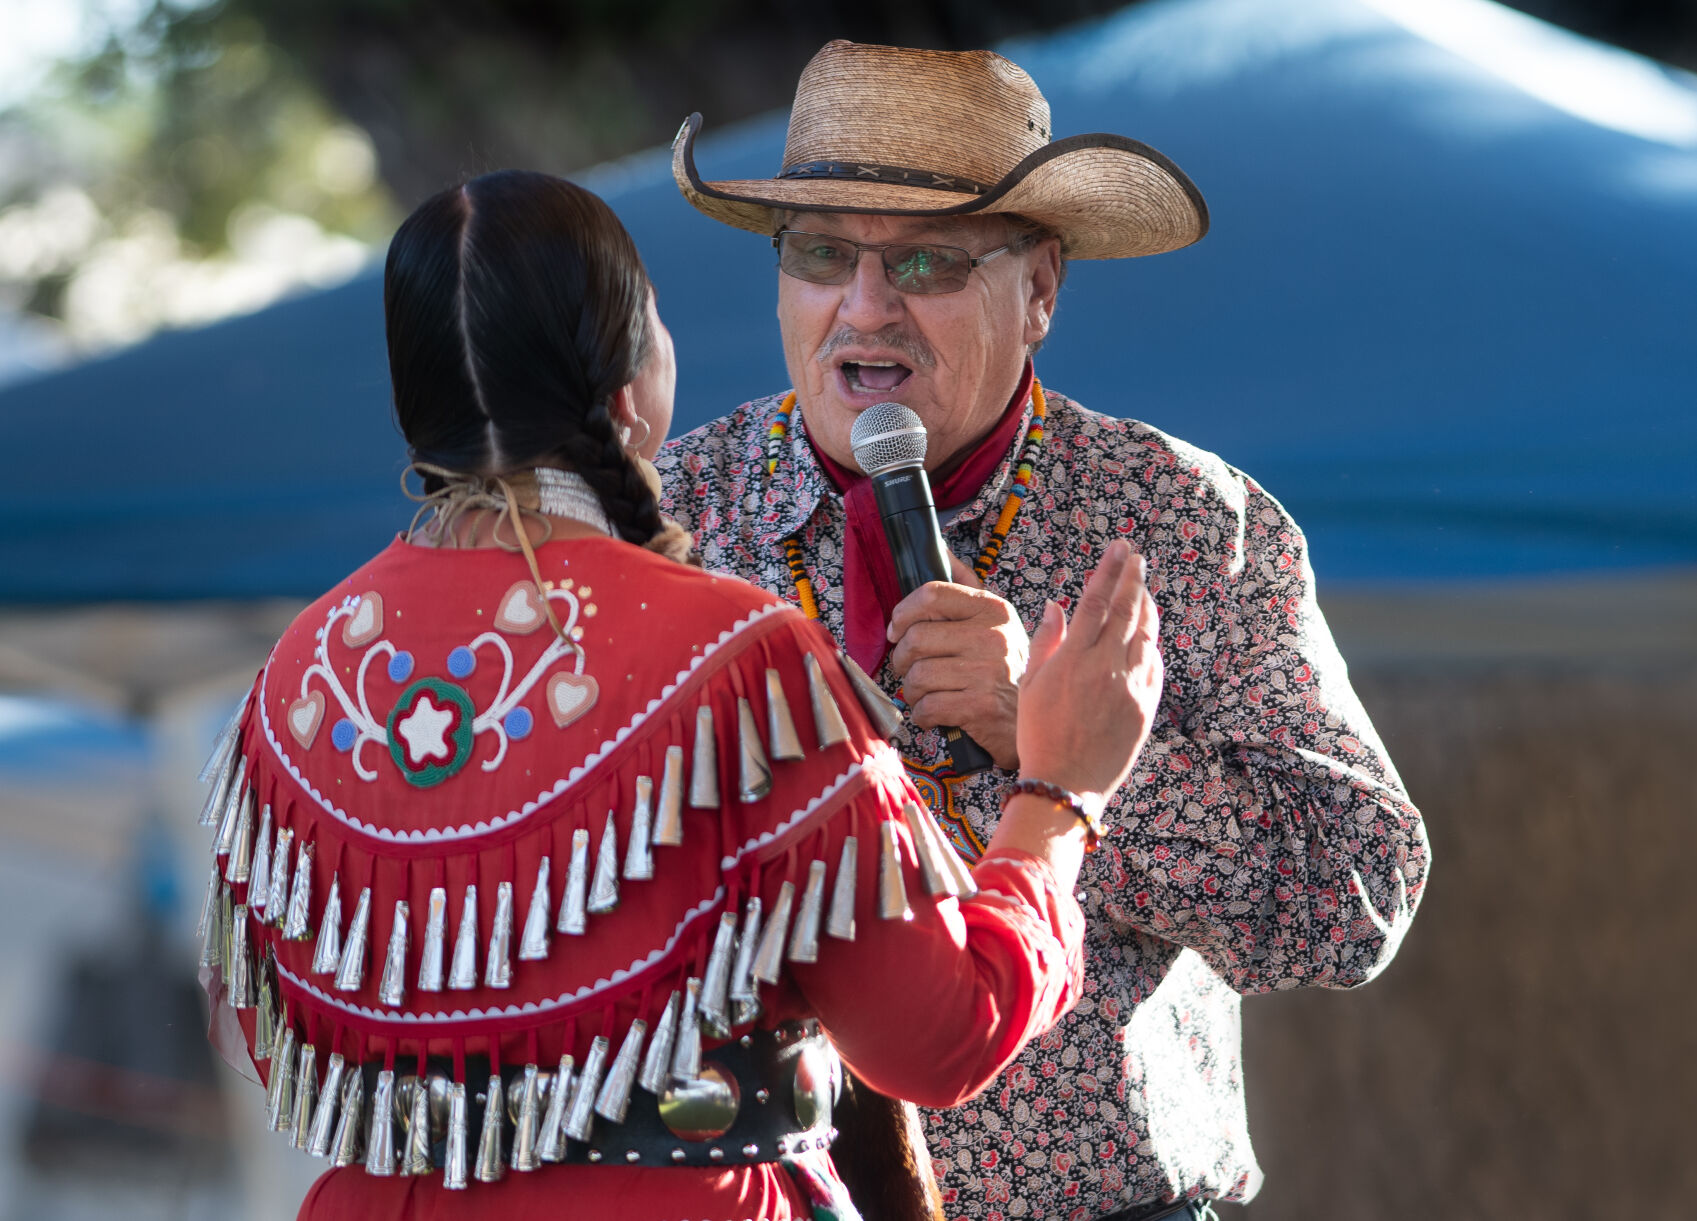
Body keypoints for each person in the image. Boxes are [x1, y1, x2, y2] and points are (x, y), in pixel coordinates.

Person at [191, 169, 1167, 1221]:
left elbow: (265, 1030)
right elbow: (936, 1038)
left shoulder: (297, 677)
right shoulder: (735, 659)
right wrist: (1059, 793)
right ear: (627, 388)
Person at [658, 40, 1432, 1221]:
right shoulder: (668, 523)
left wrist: (1060, 752)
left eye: (926, 261)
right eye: (820, 254)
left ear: (1042, 291)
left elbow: (1351, 896)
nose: (865, 307)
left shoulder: (1178, 517)